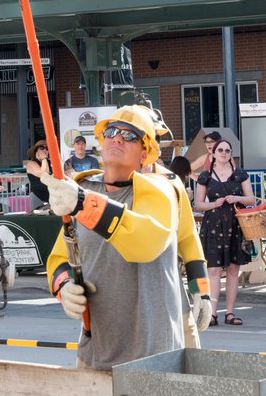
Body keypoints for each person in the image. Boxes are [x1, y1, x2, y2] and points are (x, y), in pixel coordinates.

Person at [41, 106, 211, 370]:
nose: (117, 138)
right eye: (111, 132)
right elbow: (61, 256)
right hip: (97, 346)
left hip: (155, 347)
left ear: (146, 151)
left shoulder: (164, 188)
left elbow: (155, 241)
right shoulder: (84, 189)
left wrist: (201, 290)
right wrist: (63, 287)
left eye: (130, 135)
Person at [194, 136, 256, 326]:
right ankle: (212, 314)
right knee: (213, 269)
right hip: (213, 224)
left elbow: (251, 199)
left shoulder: (240, 174)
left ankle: (230, 313)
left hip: (234, 225)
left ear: (231, 155)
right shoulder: (205, 176)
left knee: (233, 269)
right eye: (220, 150)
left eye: (227, 150)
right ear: (213, 153)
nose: (224, 153)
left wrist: (236, 198)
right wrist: (214, 203)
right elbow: (198, 204)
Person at [23, 140, 53, 210]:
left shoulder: (49, 163)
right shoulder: (31, 163)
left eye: (47, 148)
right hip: (38, 197)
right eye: (41, 148)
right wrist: (44, 159)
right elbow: (43, 174)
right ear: (36, 151)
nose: (45, 150)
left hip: (50, 197)